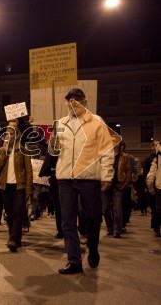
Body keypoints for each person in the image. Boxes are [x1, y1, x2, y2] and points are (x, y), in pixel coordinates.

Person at [50, 88, 114, 274]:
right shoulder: (60, 123)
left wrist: (107, 175)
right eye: (69, 101)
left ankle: (93, 248)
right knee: (67, 221)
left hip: (89, 178)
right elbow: (54, 152)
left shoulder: (96, 121)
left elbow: (107, 150)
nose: (72, 104)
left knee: (93, 217)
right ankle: (74, 260)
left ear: (84, 102)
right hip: (65, 178)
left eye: (76, 100)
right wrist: (52, 142)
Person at [0, 125, 33, 252]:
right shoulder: (2, 150)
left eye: (9, 134)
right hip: (5, 186)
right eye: (6, 135)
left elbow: (28, 170)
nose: (7, 137)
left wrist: (29, 189)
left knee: (18, 212)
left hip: (19, 186)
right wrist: (4, 152)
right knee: (9, 213)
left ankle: (13, 240)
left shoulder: (22, 150)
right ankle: (15, 238)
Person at [102, 137, 132, 238]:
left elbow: (128, 171)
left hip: (117, 186)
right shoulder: (105, 155)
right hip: (106, 185)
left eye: (114, 142)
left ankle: (117, 230)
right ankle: (110, 228)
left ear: (119, 144)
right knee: (106, 209)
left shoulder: (124, 157)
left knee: (117, 209)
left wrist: (125, 184)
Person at [141, 139, 159, 232]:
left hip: (158, 184)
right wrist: (147, 186)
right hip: (152, 185)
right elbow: (145, 174)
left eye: (158, 145)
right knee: (154, 207)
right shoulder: (149, 159)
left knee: (157, 207)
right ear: (153, 147)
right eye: (155, 145)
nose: (157, 147)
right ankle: (156, 226)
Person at [146, 140, 161, 237]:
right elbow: (152, 171)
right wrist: (150, 185)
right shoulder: (157, 156)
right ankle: (157, 227)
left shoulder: (157, 156)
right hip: (159, 186)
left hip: (159, 186)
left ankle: (157, 227)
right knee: (158, 209)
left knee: (158, 209)